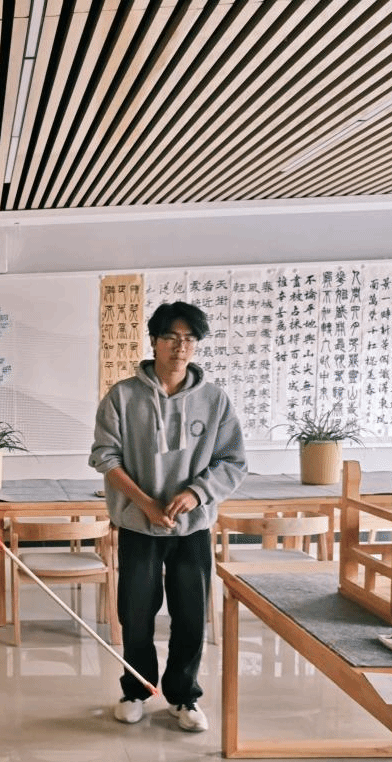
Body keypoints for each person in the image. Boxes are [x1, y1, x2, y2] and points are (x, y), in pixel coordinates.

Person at [89, 301, 246, 733]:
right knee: (135, 614)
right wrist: (146, 504)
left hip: (192, 528)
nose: (181, 347)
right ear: (154, 341)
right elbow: (105, 457)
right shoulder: (123, 396)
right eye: (171, 338)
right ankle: (136, 691)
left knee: (191, 615)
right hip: (139, 525)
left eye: (189, 339)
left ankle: (184, 696)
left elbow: (232, 461)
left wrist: (196, 494)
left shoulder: (214, 400)